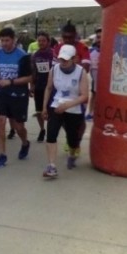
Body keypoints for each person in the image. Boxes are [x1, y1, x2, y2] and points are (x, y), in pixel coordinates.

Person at [41, 44, 89, 179]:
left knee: (72, 139)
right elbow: (49, 88)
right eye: (61, 59)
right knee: (51, 134)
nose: (63, 62)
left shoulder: (81, 72)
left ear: (74, 59)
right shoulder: (54, 69)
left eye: (66, 60)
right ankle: (51, 166)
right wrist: (45, 107)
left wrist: (68, 105)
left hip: (74, 108)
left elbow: (85, 96)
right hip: (56, 105)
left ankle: (73, 153)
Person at [0, 27, 32, 168]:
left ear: (13, 40)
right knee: (0, 122)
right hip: (2, 93)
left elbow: (30, 77)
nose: (4, 43)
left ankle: (25, 143)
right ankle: (2, 155)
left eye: (7, 40)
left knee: (18, 126)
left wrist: (11, 82)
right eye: (2, 40)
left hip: (18, 94)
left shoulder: (22, 56)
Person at [30, 31, 54, 142]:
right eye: (39, 41)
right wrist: (32, 85)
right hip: (39, 86)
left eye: (43, 40)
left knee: (50, 111)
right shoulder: (35, 55)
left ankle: (51, 130)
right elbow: (33, 72)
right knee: (39, 111)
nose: (41, 43)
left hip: (52, 87)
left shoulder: (53, 54)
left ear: (48, 42)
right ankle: (42, 129)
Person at [86, 28, 102, 120]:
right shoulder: (91, 51)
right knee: (94, 93)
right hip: (95, 78)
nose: (100, 39)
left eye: (102, 37)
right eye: (98, 37)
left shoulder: (111, 50)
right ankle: (90, 113)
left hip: (106, 80)